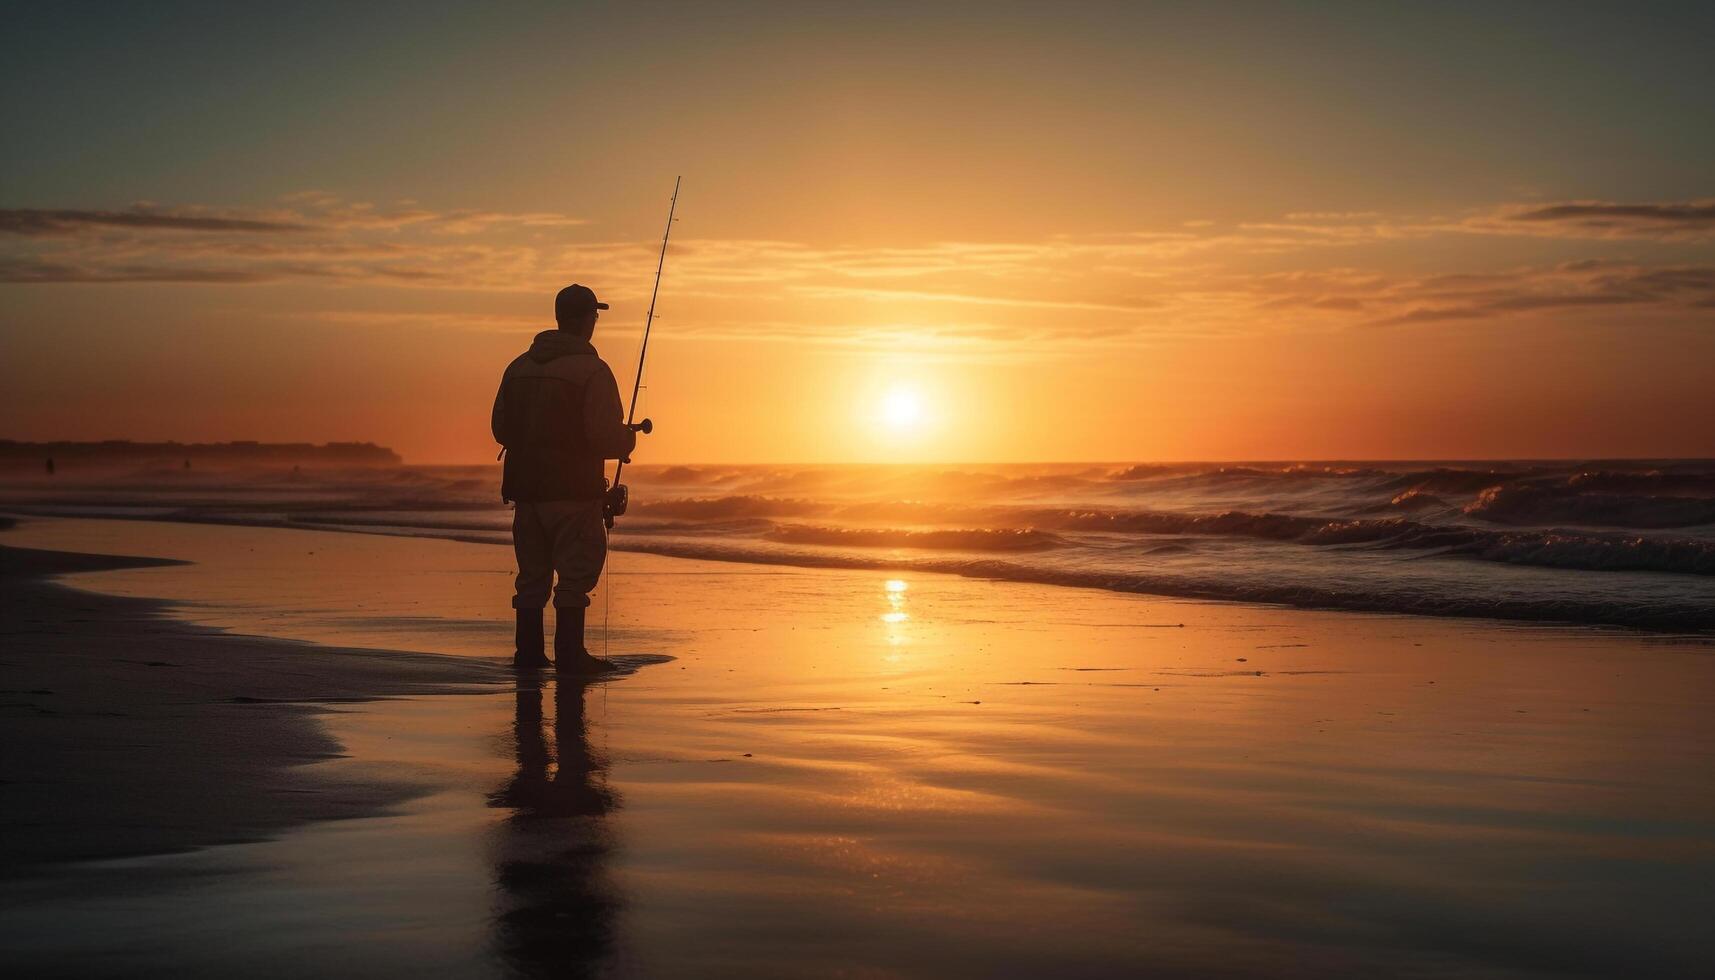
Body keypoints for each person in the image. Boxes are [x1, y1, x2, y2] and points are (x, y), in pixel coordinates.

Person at [492, 284, 637, 672]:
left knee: (531, 577)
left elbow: (500, 428)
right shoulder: (593, 370)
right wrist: (627, 438)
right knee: (575, 573)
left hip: (526, 492)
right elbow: (604, 437)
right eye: (594, 315)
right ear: (586, 320)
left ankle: (529, 656)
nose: (595, 322)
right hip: (573, 491)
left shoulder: (518, 367)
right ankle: (571, 656)